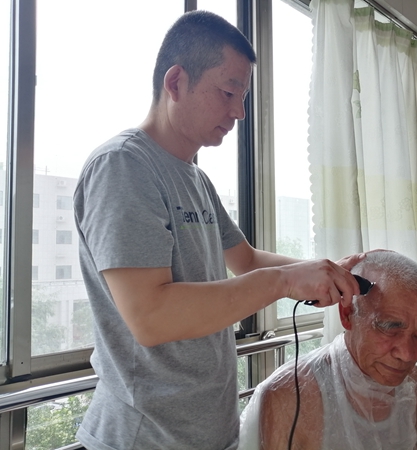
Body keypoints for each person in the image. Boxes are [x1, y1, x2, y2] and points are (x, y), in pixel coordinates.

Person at [73, 10, 363, 450]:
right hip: (143, 437)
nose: (239, 112)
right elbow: (150, 316)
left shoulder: (196, 179)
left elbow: (246, 260)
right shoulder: (123, 166)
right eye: (228, 92)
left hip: (209, 431)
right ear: (176, 83)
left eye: (242, 97)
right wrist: (284, 281)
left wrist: (326, 270)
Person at [239, 250, 417, 450]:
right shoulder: (288, 396)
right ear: (347, 314)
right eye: (390, 329)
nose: (407, 354)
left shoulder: (410, 382)